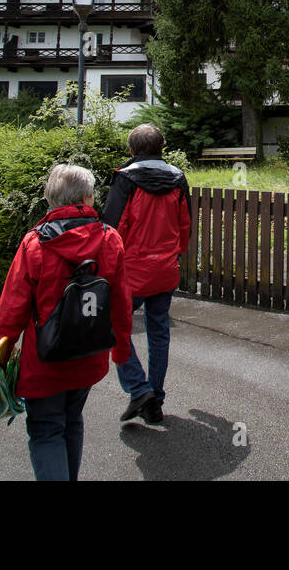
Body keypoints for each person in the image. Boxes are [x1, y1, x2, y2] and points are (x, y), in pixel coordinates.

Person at [0, 163, 132, 481]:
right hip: (90, 356)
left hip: (45, 361)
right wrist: (120, 348)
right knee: (72, 420)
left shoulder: (34, 244)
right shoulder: (110, 239)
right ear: (88, 198)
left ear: (51, 200)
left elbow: (12, 311)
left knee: (47, 430)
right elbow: (120, 301)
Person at [102, 123, 191, 425]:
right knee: (159, 333)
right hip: (165, 269)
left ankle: (139, 390)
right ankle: (155, 397)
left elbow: (111, 227)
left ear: (132, 150)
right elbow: (185, 224)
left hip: (132, 271)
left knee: (113, 327)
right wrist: (175, 254)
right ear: (161, 148)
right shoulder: (178, 178)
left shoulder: (124, 179)